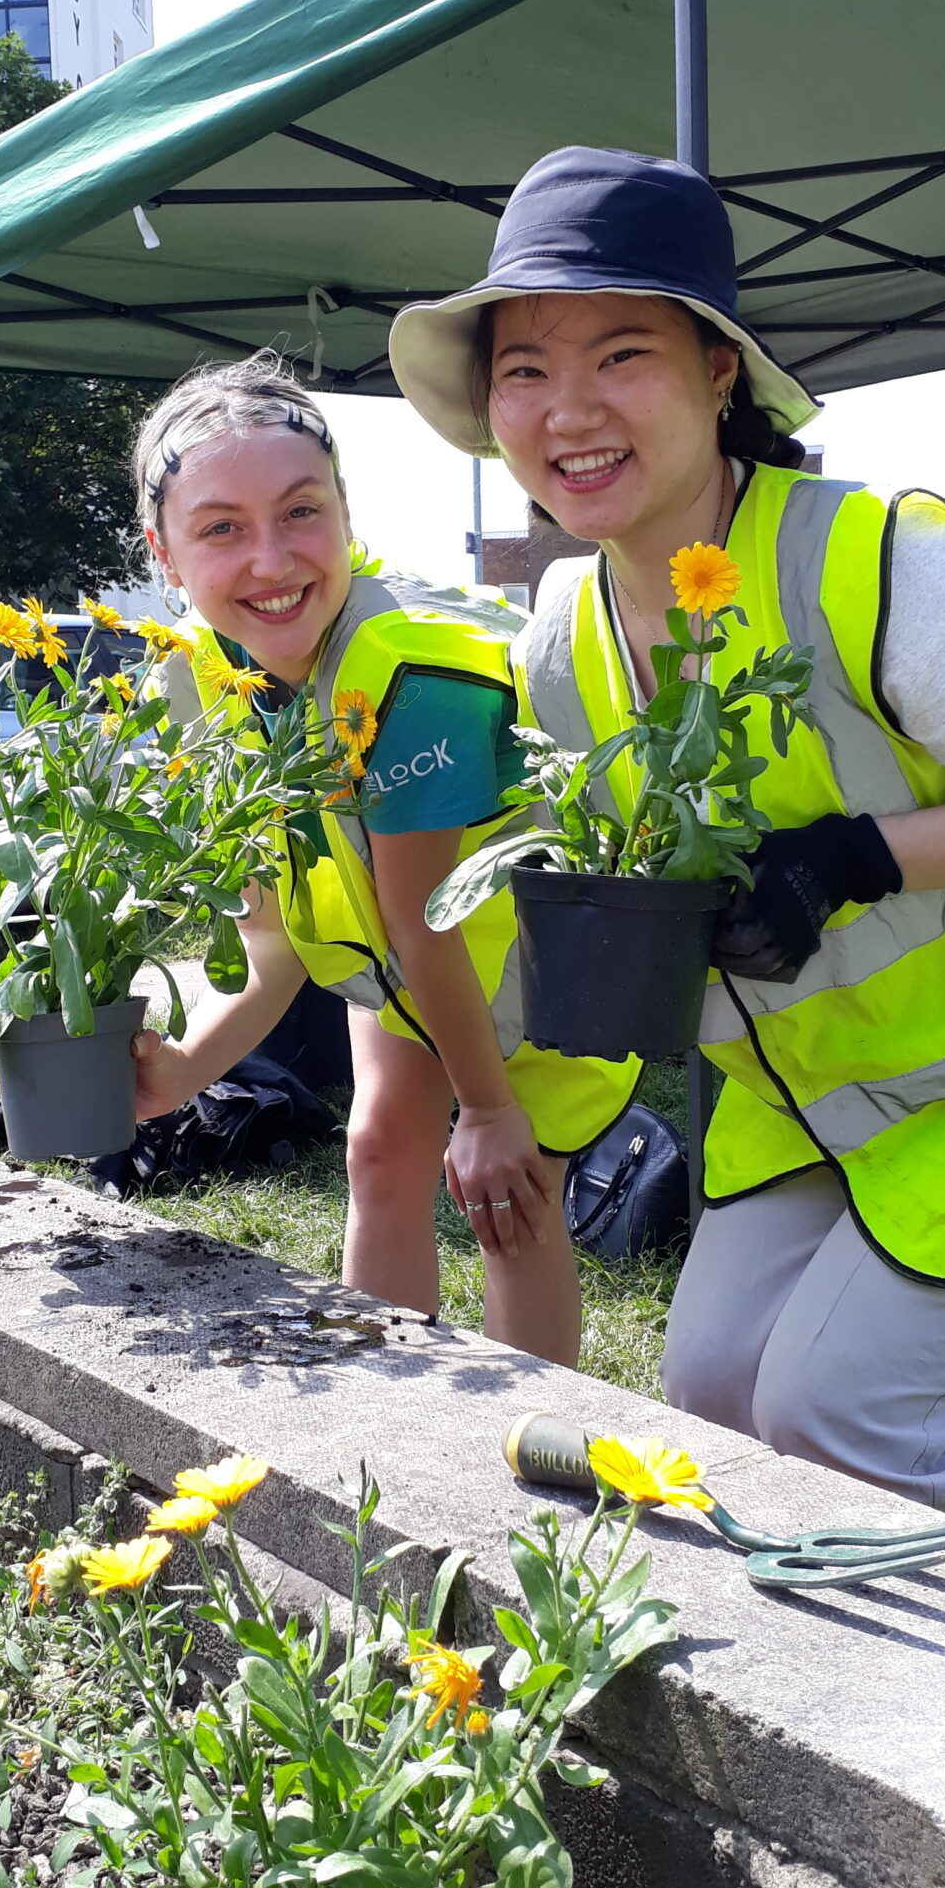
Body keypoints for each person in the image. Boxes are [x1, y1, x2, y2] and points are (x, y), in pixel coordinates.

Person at [387, 147, 945, 1514]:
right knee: (715, 1403)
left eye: (622, 355)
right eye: (525, 370)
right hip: (819, 1104)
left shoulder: (872, 556)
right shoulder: (558, 634)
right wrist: (517, 1100)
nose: (567, 409)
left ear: (721, 372)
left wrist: (849, 860)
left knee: (836, 1417)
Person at [125, 355, 637, 1364]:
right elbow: (273, 941)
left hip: (528, 965)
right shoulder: (202, 677)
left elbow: (427, 917)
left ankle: (536, 1457)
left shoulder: (413, 674)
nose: (270, 559)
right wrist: (181, 1069)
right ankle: (384, 1416)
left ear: (346, 512)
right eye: (221, 527)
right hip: (409, 969)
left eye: (301, 512)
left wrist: (488, 1110)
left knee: (508, 1192)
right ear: (166, 553)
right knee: (379, 1147)